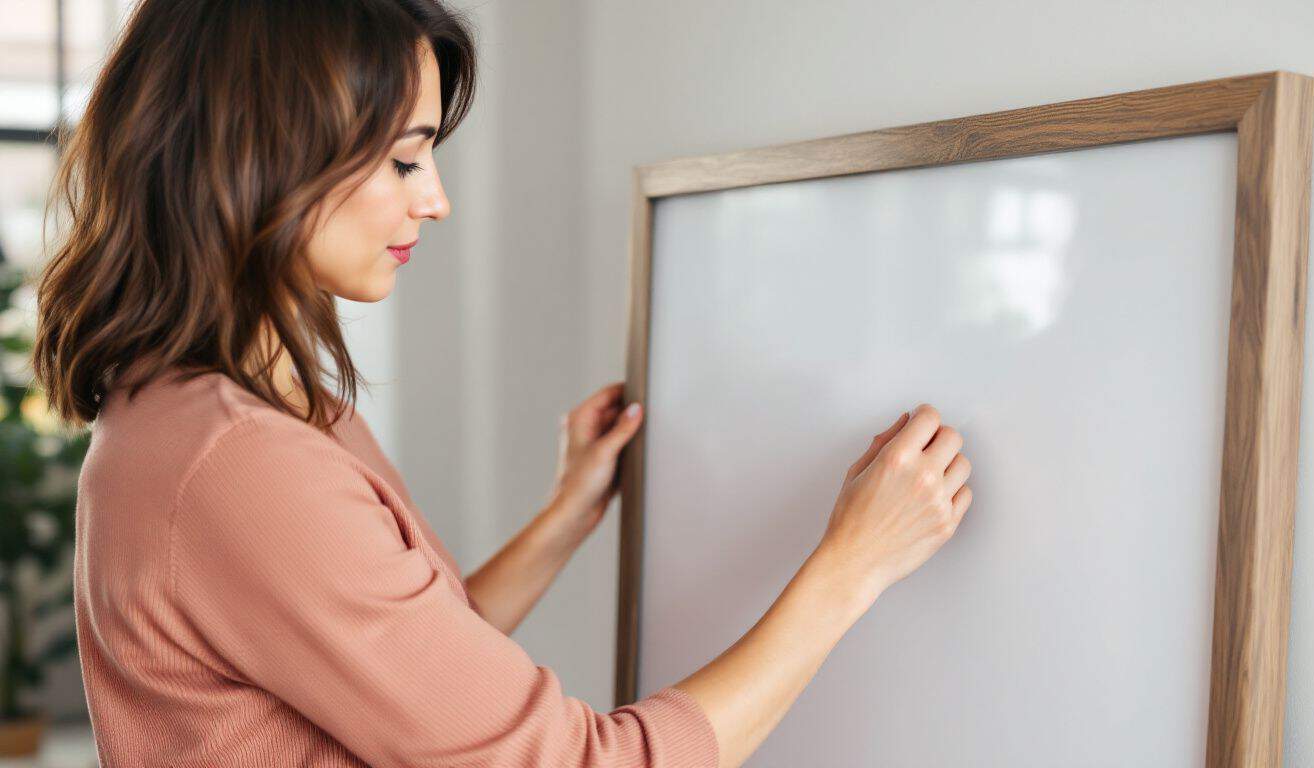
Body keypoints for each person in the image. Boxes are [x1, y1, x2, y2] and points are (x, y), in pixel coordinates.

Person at [30, 1, 973, 766]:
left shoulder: (242, 412)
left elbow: (408, 670)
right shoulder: (237, 464)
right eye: (404, 158)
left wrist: (569, 511)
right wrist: (854, 564)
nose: (434, 198)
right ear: (263, 154)